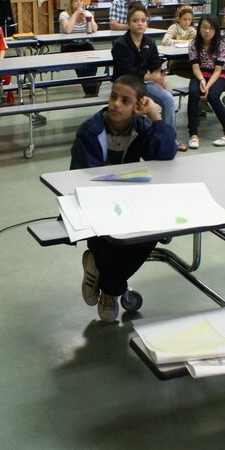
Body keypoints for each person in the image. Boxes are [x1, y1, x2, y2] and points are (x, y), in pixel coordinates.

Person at [72, 74, 177, 322]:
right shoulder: (90, 130)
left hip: (129, 201)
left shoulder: (141, 127)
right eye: (113, 97)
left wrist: (155, 116)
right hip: (93, 202)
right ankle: (112, 289)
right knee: (108, 239)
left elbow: (164, 156)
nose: (116, 104)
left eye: (125, 100)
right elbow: (83, 180)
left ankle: (104, 279)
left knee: (153, 233)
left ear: (139, 104)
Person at [111, 4, 184, 151]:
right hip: (125, 85)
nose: (140, 23)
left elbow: (155, 63)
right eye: (135, 20)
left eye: (143, 20)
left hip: (145, 83)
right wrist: (150, 76)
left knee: (168, 99)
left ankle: (170, 140)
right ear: (129, 23)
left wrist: (159, 76)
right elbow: (127, 69)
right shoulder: (120, 44)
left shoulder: (149, 43)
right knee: (139, 106)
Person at [186, 15, 225, 149]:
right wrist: (202, 80)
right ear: (199, 29)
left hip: (217, 75)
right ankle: (193, 134)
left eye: (210, 28)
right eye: (203, 27)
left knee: (213, 96)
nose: (207, 31)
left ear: (216, 30)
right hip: (200, 74)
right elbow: (195, 67)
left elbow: (218, 70)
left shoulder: (221, 46)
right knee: (193, 93)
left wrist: (207, 87)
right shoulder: (193, 45)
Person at [58, 0, 100, 96]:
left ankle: (91, 87)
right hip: (69, 46)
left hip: (84, 44)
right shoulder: (64, 15)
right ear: (71, 3)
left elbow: (94, 29)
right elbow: (67, 30)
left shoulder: (87, 14)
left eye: (81, 1)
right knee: (81, 65)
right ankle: (91, 89)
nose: (78, 3)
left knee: (93, 62)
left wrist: (87, 17)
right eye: (76, 1)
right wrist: (75, 14)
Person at [162, 5, 197, 79]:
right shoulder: (174, 28)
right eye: (185, 19)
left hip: (188, 60)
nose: (187, 22)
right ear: (179, 19)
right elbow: (165, 41)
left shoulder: (191, 30)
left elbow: (199, 40)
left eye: (189, 20)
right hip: (175, 61)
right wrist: (185, 42)